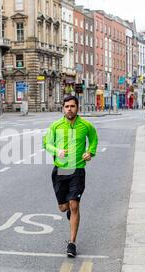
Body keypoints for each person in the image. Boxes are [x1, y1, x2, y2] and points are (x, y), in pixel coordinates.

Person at [44, 95, 98, 258]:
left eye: (72, 106)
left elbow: (94, 139)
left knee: (74, 205)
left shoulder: (86, 125)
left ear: (77, 107)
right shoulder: (56, 126)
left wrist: (90, 152)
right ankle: (69, 211)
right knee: (64, 207)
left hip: (77, 169)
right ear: (63, 108)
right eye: (67, 106)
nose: (69, 109)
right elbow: (46, 143)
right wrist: (56, 151)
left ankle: (72, 242)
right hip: (61, 170)